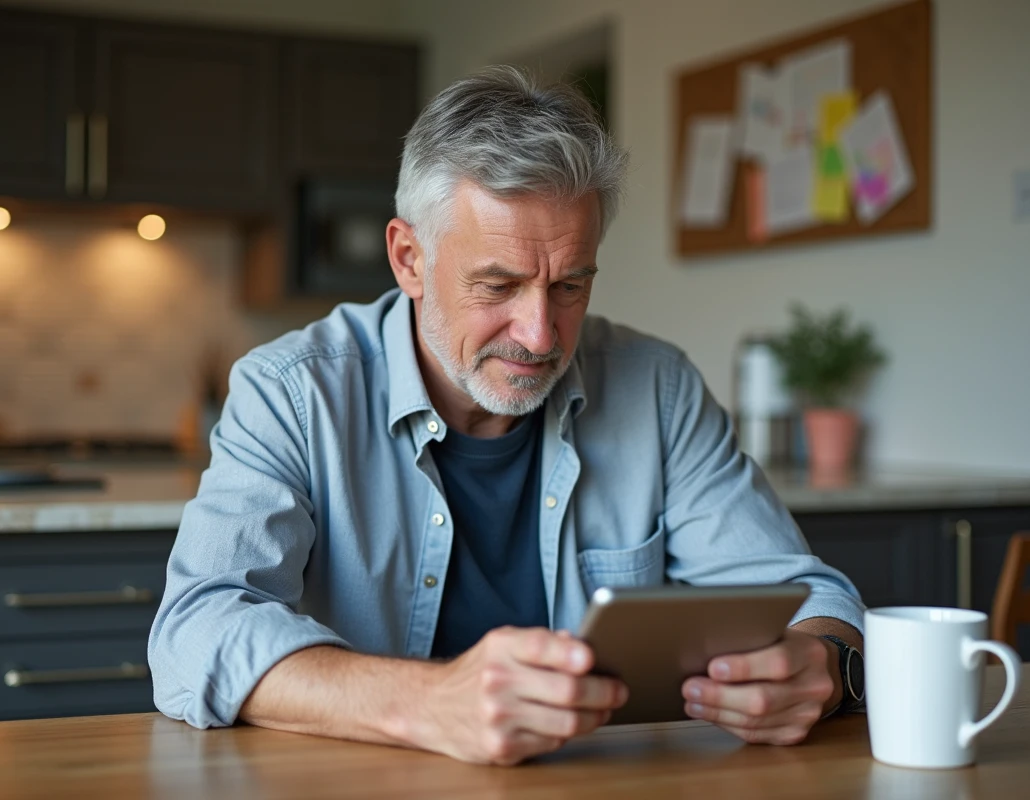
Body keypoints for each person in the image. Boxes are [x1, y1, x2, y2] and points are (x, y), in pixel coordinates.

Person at [148, 66, 865, 766]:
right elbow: (195, 630)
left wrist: (821, 663)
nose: (541, 334)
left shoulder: (657, 388)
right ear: (408, 258)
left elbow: (813, 596)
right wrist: (428, 703)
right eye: (499, 285)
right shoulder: (293, 392)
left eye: (570, 286)